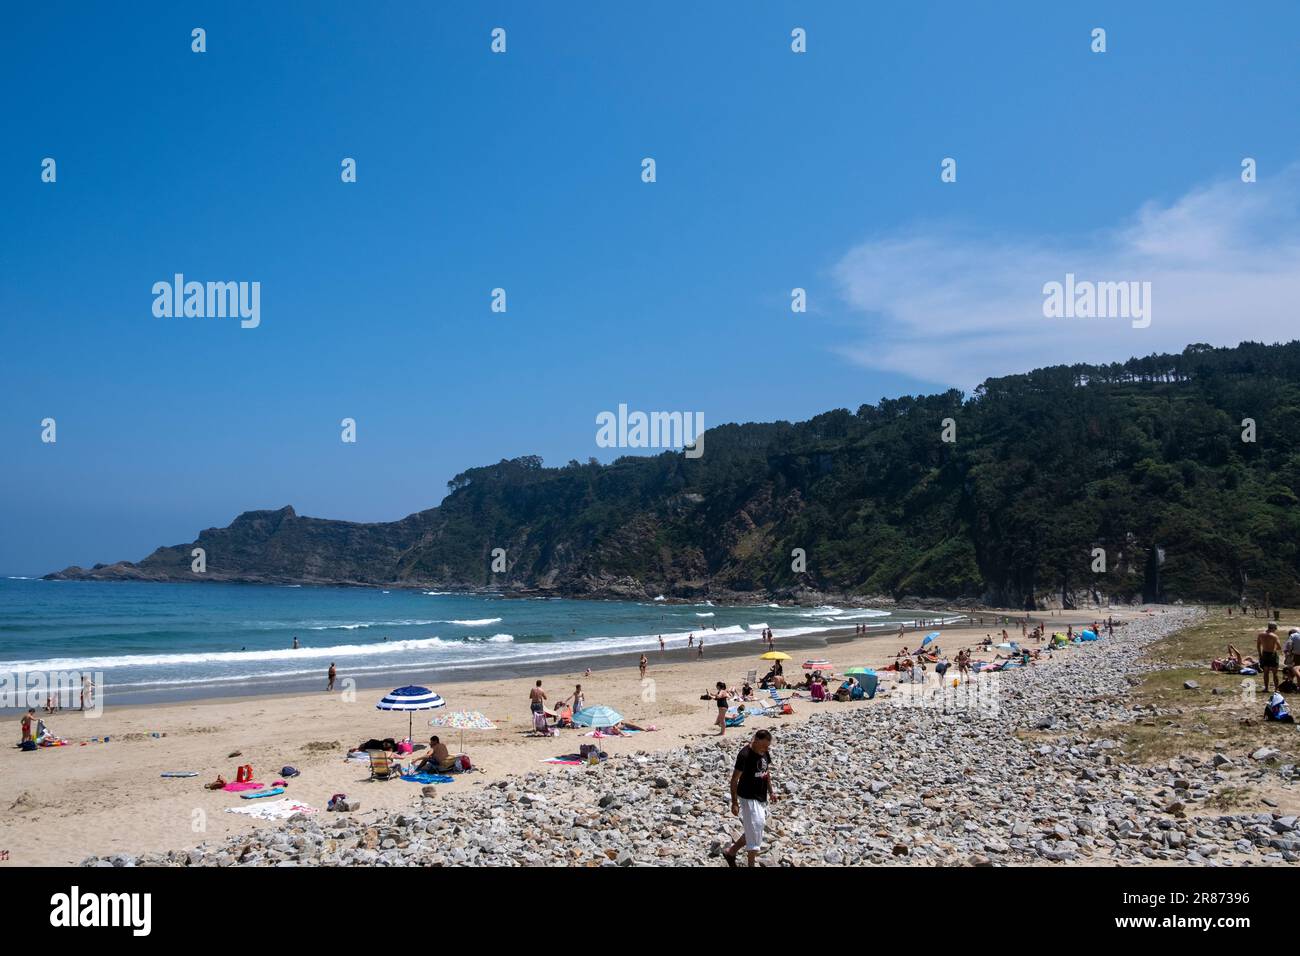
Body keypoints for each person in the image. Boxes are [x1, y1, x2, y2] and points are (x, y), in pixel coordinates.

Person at [723, 730, 777, 867]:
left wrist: (771, 791)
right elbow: (734, 779)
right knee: (757, 826)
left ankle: (731, 852)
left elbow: (766, 772)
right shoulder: (744, 755)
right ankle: (751, 864)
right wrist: (734, 803)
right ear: (756, 741)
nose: (766, 749)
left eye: (767, 747)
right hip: (747, 797)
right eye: (764, 746)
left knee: (753, 829)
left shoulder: (764, 751)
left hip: (761, 796)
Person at [1258, 623, 1283, 692]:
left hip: (1264, 654)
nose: (1275, 630)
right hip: (1272, 654)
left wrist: (1260, 654)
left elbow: (1258, 645)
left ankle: (1266, 688)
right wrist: (1273, 648)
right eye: (1275, 628)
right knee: (1275, 673)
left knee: (1265, 672)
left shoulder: (1260, 635)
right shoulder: (1274, 636)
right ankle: (1276, 689)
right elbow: (1279, 647)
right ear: (1272, 628)